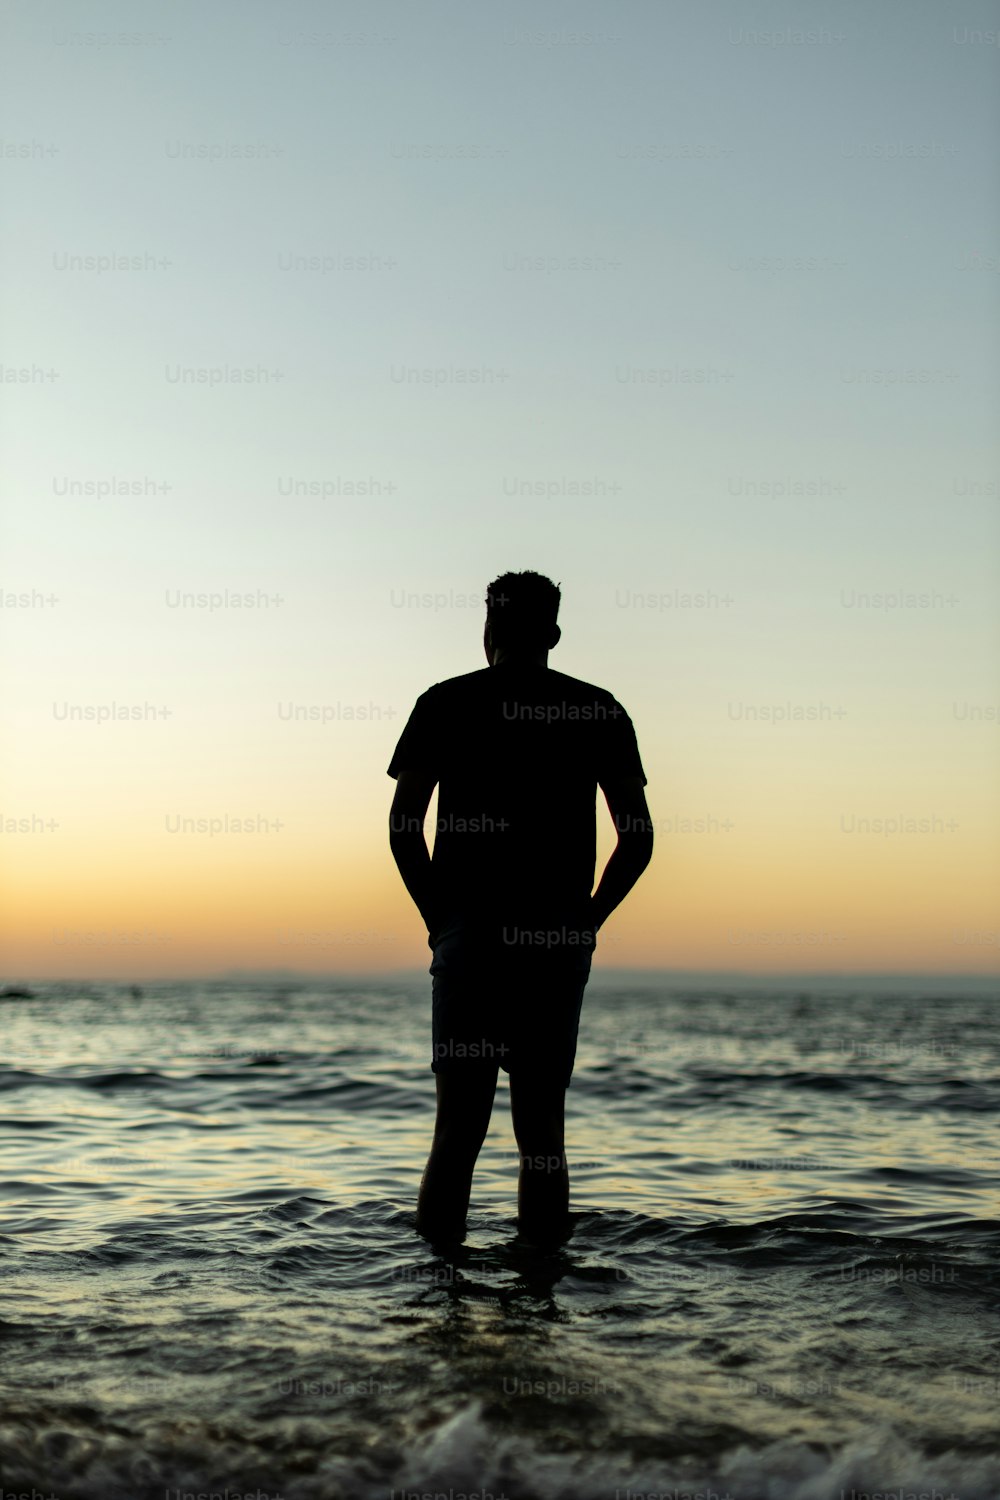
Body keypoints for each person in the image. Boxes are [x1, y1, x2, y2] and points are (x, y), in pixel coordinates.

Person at [388, 570, 653, 1247]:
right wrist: (586, 925)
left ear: (490, 631)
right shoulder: (597, 709)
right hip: (553, 939)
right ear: (553, 634)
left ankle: (438, 1300)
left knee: (457, 1132)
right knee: (542, 1135)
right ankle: (540, 1296)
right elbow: (638, 838)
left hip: (470, 936)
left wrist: (438, 921)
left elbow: (403, 825)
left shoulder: (445, 702)